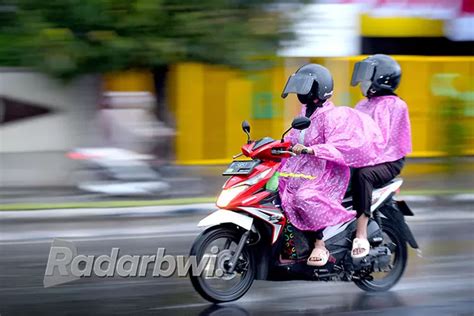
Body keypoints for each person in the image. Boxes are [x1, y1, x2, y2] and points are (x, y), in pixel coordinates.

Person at [278, 63, 386, 266]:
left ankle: (320, 245)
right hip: (302, 169)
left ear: (318, 90)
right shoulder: (304, 114)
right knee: (278, 191)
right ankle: (293, 247)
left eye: (305, 88)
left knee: (304, 197)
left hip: (327, 172)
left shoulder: (332, 116)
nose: (300, 93)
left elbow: (339, 146)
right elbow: (292, 139)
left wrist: (312, 150)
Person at [350, 54, 412, 259]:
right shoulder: (363, 104)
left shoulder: (395, 105)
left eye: (367, 78)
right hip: (366, 157)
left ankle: (361, 232)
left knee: (363, 175)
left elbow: (383, 141)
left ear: (382, 79)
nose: (362, 83)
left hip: (388, 160)